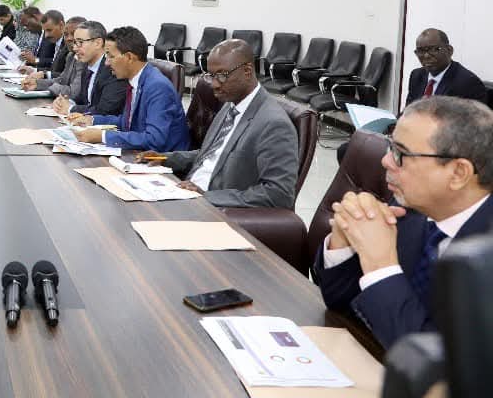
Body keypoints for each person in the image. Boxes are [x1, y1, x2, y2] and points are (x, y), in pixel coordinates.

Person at [316, 96, 493, 350]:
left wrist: (380, 265)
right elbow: (340, 301)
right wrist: (344, 239)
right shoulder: (410, 210)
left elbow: (440, 360)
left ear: (458, 173)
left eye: (401, 153)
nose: (386, 161)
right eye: (390, 146)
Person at [159, 39, 299, 208]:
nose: (214, 84)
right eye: (211, 76)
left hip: (217, 209)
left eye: (222, 75)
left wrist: (207, 197)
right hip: (186, 194)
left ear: (247, 71)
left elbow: (279, 194)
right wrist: (164, 159)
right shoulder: (231, 104)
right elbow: (214, 155)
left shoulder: (274, 124)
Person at [337, 28, 489, 163]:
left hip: (436, 149)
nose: (426, 55)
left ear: (449, 50)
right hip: (408, 139)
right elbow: (409, 110)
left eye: (434, 49)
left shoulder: (467, 83)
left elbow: (468, 132)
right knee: (348, 149)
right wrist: (390, 124)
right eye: (420, 51)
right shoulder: (417, 75)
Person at [72, 26, 191, 152]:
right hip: (139, 153)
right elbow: (127, 122)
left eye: (111, 56)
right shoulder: (135, 80)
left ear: (129, 57)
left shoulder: (158, 87)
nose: (106, 63)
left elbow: (154, 140)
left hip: (161, 158)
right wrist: (92, 120)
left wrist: (103, 136)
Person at [53, 21, 125, 117]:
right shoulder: (86, 66)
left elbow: (105, 110)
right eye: (75, 42)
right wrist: (65, 102)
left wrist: (70, 108)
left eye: (80, 42)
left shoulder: (112, 69)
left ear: (98, 43)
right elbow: (82, 100)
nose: (74, 48)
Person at [22, 16, 86, 97]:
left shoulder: (84, 58)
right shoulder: (71, 55)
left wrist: (46, 81)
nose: (69, 38)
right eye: (66, 34)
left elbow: (73, 93)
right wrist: (37, 84)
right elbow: (61, 80)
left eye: (73, 34)